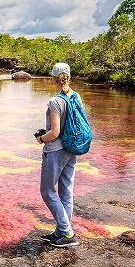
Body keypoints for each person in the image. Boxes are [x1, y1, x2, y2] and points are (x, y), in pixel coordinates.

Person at [35, 62, 80, 248]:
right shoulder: (76, 97)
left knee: (47, 191)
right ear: (68, 77)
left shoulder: (55, 102)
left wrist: (41, 139)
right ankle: (62, 232)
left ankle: (68, 233)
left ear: (53, 78)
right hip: (72, 149)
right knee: (66, 192)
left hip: (56, 151)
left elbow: (54, 133)